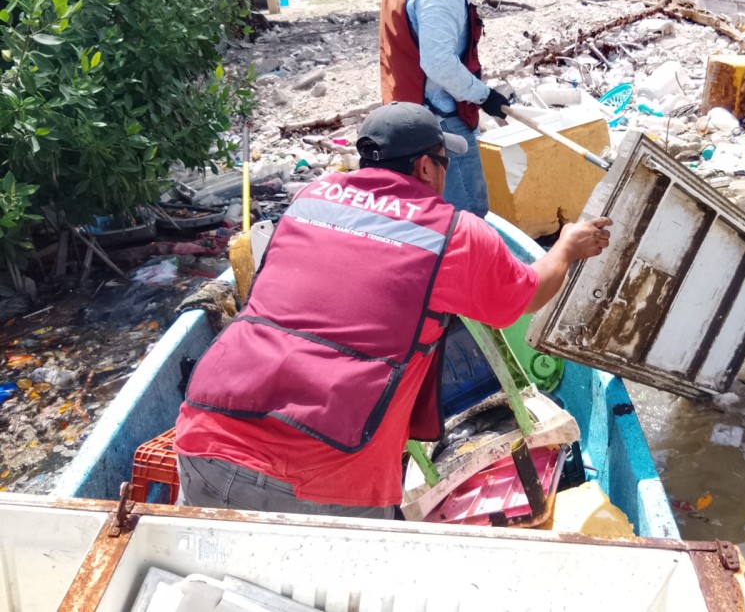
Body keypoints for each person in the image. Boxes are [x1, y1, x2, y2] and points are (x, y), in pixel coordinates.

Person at [175, 102, 612, 518]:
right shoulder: (455, 234)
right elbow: (526, 296)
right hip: (325, 474)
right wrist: (567, 249)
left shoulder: (312, 197)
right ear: (425, 166)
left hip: (204, 434)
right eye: (444, 163)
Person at [379, 0, 513, 218]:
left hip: (402, 106)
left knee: (425, 211)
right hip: (439, 121)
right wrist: (484, 96)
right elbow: (438, 62)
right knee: (466, 215)